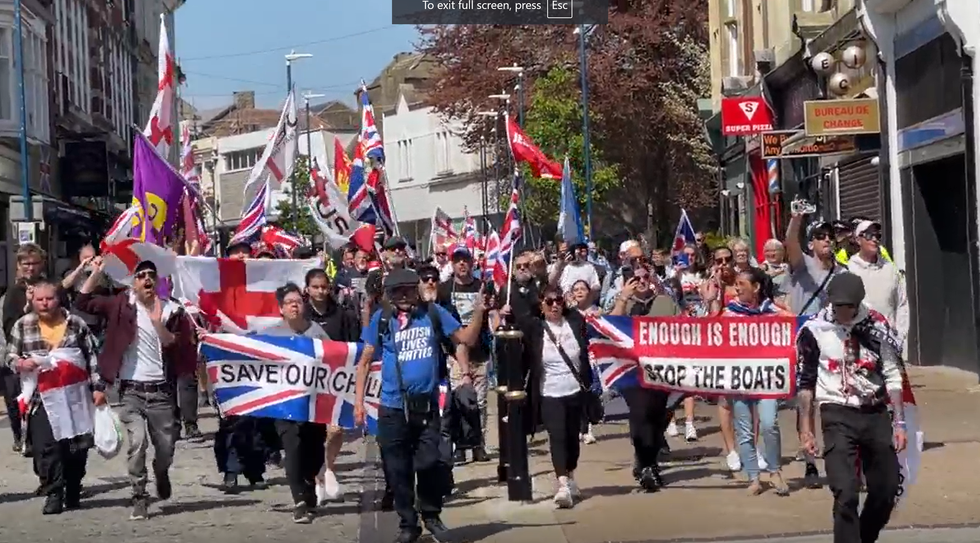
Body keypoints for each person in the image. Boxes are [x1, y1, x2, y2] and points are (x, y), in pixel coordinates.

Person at [354, 268, 486, 543]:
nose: (403, 296)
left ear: (416, 289)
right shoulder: (382, 319)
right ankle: (408, 525)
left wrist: (479, 312)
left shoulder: (433, 313)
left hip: (426, 407)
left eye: (407, 289)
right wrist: (358, 404)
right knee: (397, 470)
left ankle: (431, 516)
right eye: (396, 291)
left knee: (430, 464)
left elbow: (466, 339)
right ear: (388, 295)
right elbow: (364, 362)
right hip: (391, 408)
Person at [75, 259, 197, 520]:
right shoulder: (121, 305)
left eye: (151, 275)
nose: (146, 279)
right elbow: (82, 302)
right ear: (133, 282)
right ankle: (139, 497)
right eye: (140, 275)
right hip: (131, 391)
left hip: (161, 392)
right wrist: (96, 273)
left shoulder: (171, 310)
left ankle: (161, 472)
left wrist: (156, 322)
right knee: (137, 443)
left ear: (157, 280)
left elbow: (176, 344)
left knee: (165, 448)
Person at [796, 272, 904, 543]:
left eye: (848, 307)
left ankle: (863, 537)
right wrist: (806, 430)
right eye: (837, 306)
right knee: (846, 492)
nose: (843, 312)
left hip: (874, 411)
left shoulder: (877, 326)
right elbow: (806, 384)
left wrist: (900, 422)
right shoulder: (814, 329)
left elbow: (893, 374)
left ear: (858, 303)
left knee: (886, 489)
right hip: (836, 411)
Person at [7, 279, 102, 514]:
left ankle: (73, 487)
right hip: (41, 398)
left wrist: (98, 388)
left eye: (49, 298)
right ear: (33, 300)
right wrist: (20, 362)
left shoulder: (75, 324)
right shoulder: (23, 325)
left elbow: (92, 355)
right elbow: (8, 355)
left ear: (58, 299)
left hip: (75, 396)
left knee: (76, 447)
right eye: (39, 299)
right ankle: (53, 492)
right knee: (46, 447)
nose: (44, 303)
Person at [256, 283, 331, 523]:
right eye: (290, 302)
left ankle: (308, 486)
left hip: (313, 404)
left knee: (314, 451)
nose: (295, 305)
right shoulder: (271, 334)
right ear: (281, 308)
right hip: (285, 405)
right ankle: (299, 501)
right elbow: (247, 354)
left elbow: (335, 359)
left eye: (298, 301)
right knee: (293, 447)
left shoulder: (316, 331)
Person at [517, 285, 594, 508]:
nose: (554, 306)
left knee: (573, 439)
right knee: (558, 436)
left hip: (575, 390)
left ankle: (570, 477)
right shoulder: (535, 327)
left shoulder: (576, 321)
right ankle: (562, 485)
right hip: (549, 392)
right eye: (549, 302)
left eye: (558, 301)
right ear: (541, 305)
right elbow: (521, 314)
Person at [786, 209, 847, 487]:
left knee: (834, 399)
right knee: (806, 400)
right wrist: (796, 219)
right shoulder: (804, 266)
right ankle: (810, 459)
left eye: (829, 237)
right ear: (811, 243)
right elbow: (790, 243)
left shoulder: (842, 272)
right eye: (820, 237)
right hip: (806, 341)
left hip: (833, 341)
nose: (826, 241)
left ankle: (839, 457)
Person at [608, 265, 679, 491]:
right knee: (640, 413)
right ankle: (646, 463)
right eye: (635, 278)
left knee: (657, 416)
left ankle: (649, 461)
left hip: (661, 369)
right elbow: (608, 327)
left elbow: (684, 328)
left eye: (645, 276)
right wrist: (623, 299)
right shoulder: (623, 302)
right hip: (632, 370)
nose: (641, 281)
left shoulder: (665, 302)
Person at [722, 267, 791, 496]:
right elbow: (708, 332)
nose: (737, 288)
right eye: (736, 283)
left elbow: (797, 326)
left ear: (757, 287)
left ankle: (775, 471)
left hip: (767, 379)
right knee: (744, 428)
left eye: (742, 283)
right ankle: (753, 477)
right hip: (739, 379)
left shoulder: (773, 312)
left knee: (770, 424)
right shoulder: (729, 313)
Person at [303, 269, 360, 504]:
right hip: (308, 380)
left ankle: (329, 467)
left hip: (337, 379)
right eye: (315, 287)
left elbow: (354, 345)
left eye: (323, 286)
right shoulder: (301, 315)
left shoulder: (343, 314)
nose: (320, 291)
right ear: (307, 289)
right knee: (313, 432)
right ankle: (317, 478)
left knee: (336, 429)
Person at [437, 246, 492, 463]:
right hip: (454, 354)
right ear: (452, 263)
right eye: (457, 260)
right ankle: (460, 446)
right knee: (460, 401)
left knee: (480, 403)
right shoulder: (444, 289)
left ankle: (479, 445)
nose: (462, 264)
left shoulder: (482, 287)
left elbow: (492, 314)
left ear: (471, 262)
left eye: (465, 260)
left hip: (480, 352)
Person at [2, 243, 48, 452]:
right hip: (17, 355)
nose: (30, 268)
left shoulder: (48, 288)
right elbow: (10, 326)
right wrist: (27, 308)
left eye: (34, 263)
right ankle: (21, 437)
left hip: (44, 353)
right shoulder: (14, 293)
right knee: (15, 399)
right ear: (19, 265)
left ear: (42, 264)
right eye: (26, 264)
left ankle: (36, 439)